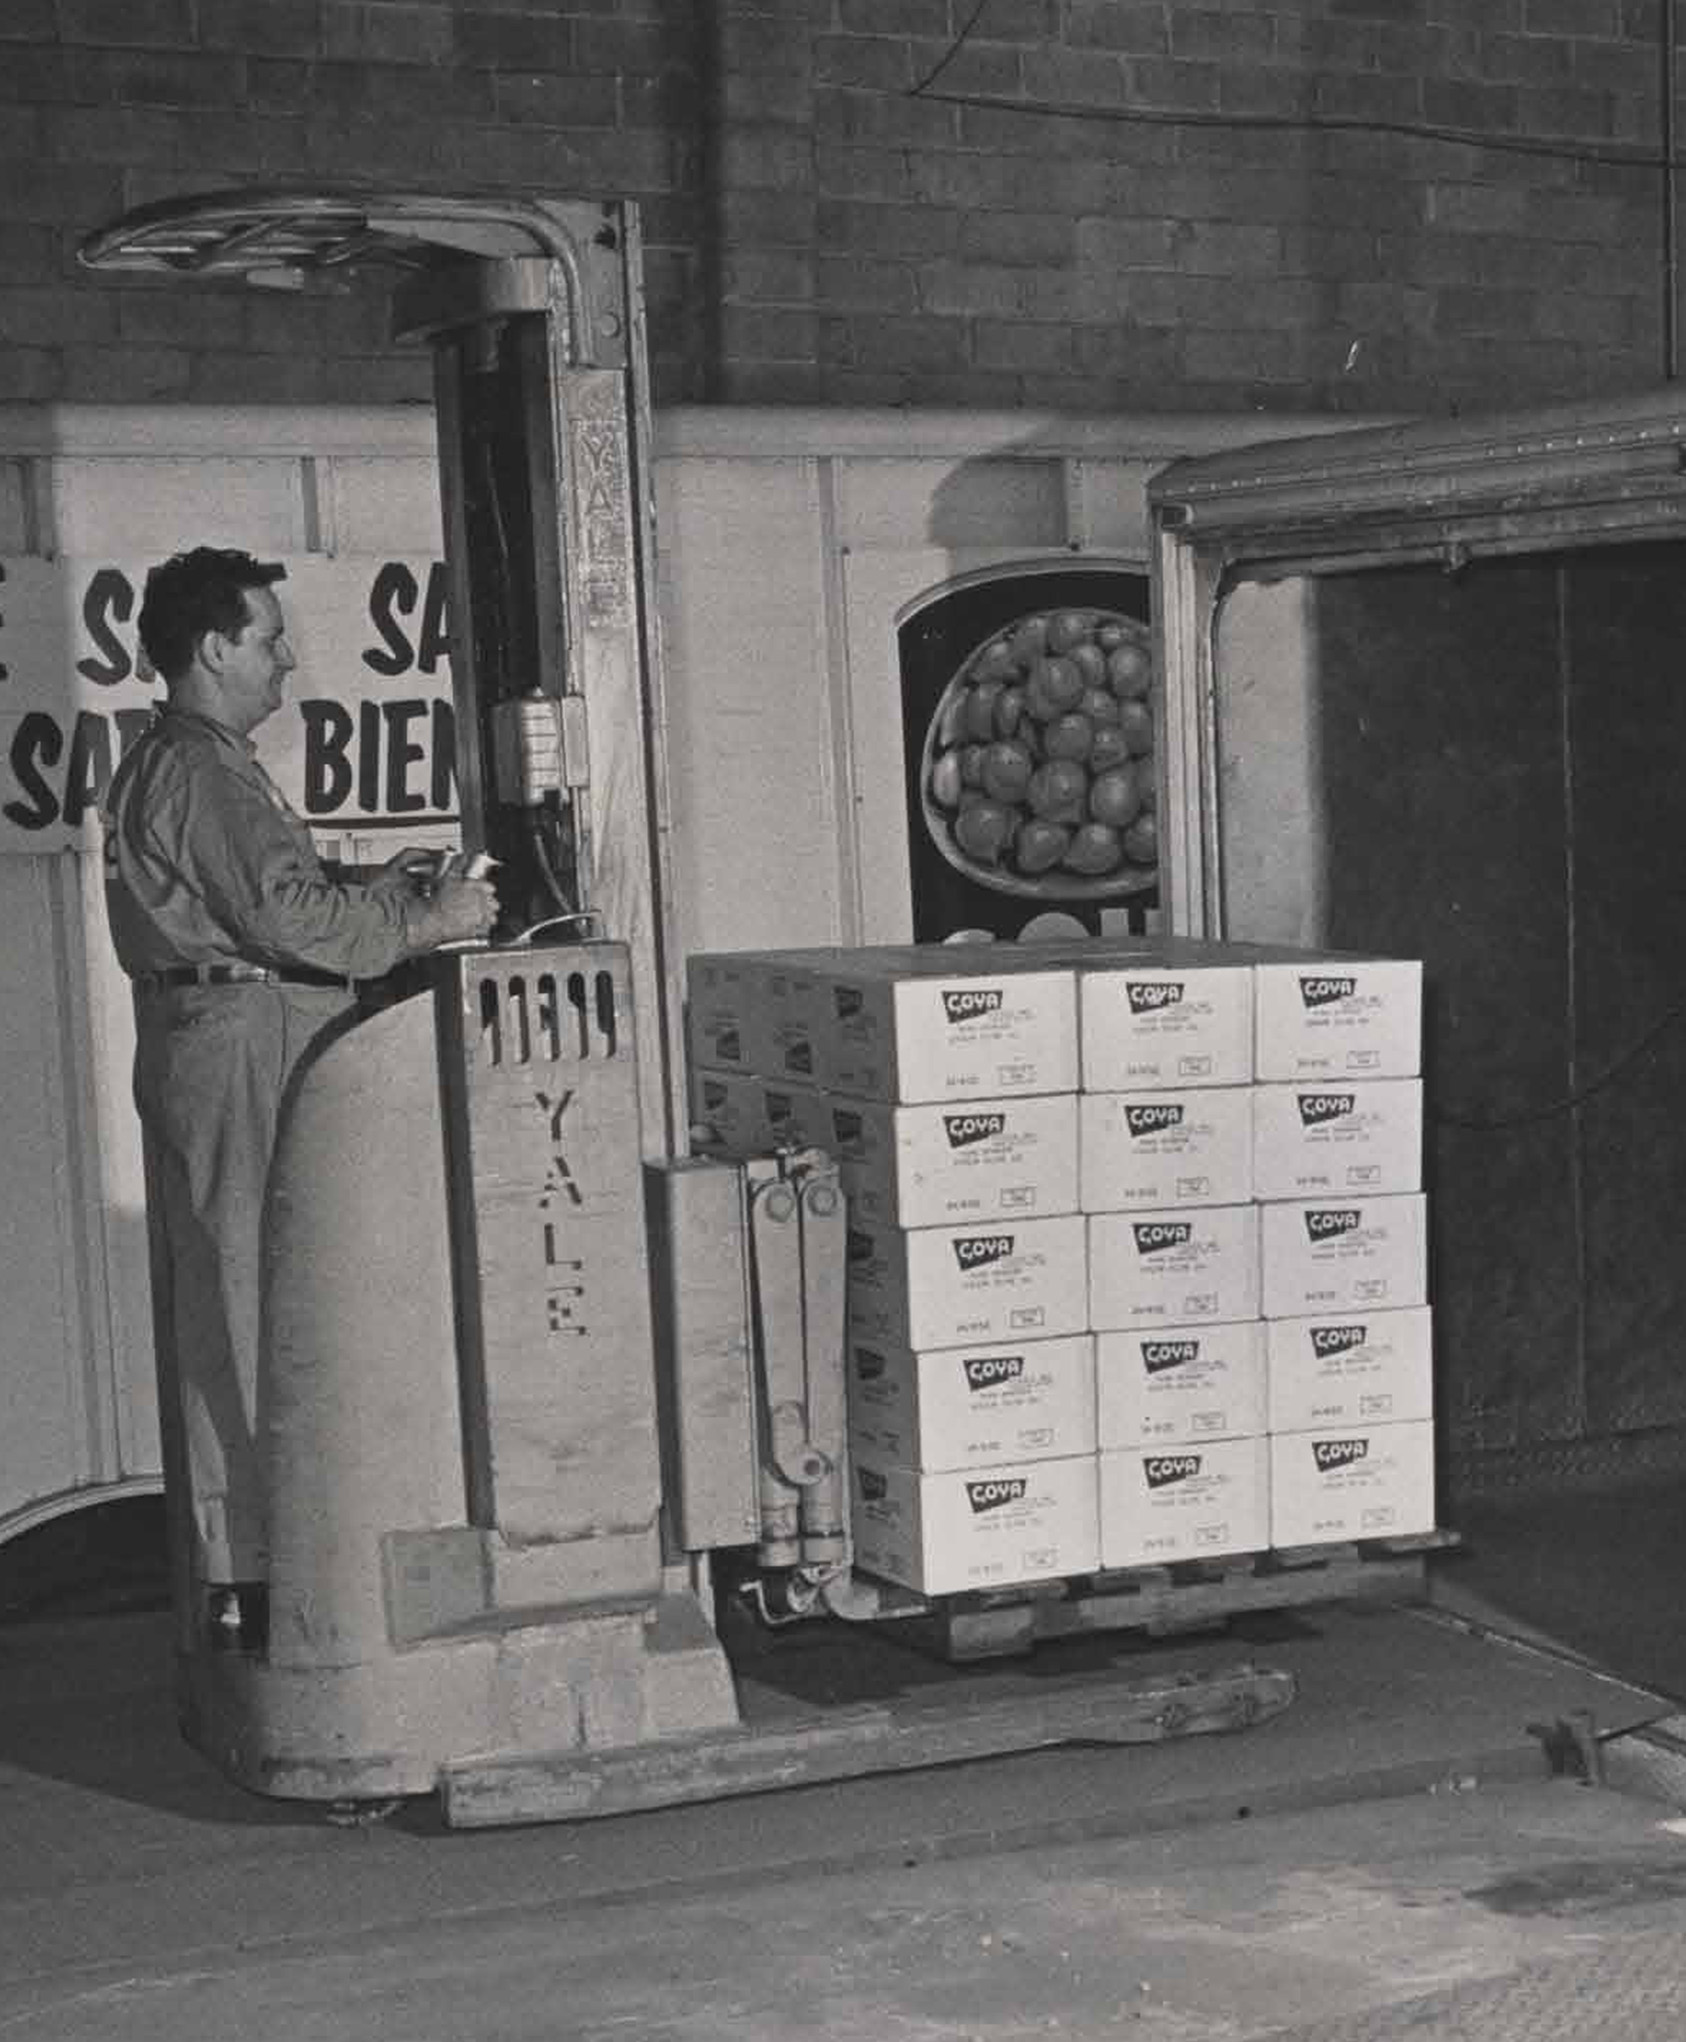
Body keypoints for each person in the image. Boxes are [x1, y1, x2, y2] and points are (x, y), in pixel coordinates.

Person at [103, 546, 497, 1649]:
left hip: (208, 1034)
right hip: (240, 1044)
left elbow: (267, 899)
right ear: (213, 648)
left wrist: (374, 885)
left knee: (227, 1302)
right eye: (269, 640)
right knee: (259, 1303)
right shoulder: (205, 773)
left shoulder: (175, 760)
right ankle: (279, 1574)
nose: (285, 661)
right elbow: (290, 924)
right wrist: (431, 921)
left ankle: (250, 1565)